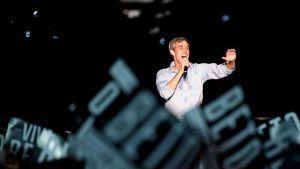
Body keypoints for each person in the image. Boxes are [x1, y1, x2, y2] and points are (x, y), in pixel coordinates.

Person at [156, 36, 236, 120]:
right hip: (174, 124)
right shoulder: (163, 73)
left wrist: (231, 61)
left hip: (196, 122)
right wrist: (181, 71)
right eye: (181, 47)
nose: (185, 51)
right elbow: (165, 93)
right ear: (172, 52)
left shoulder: (199, 69)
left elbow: (223, 70)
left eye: (187, 48)